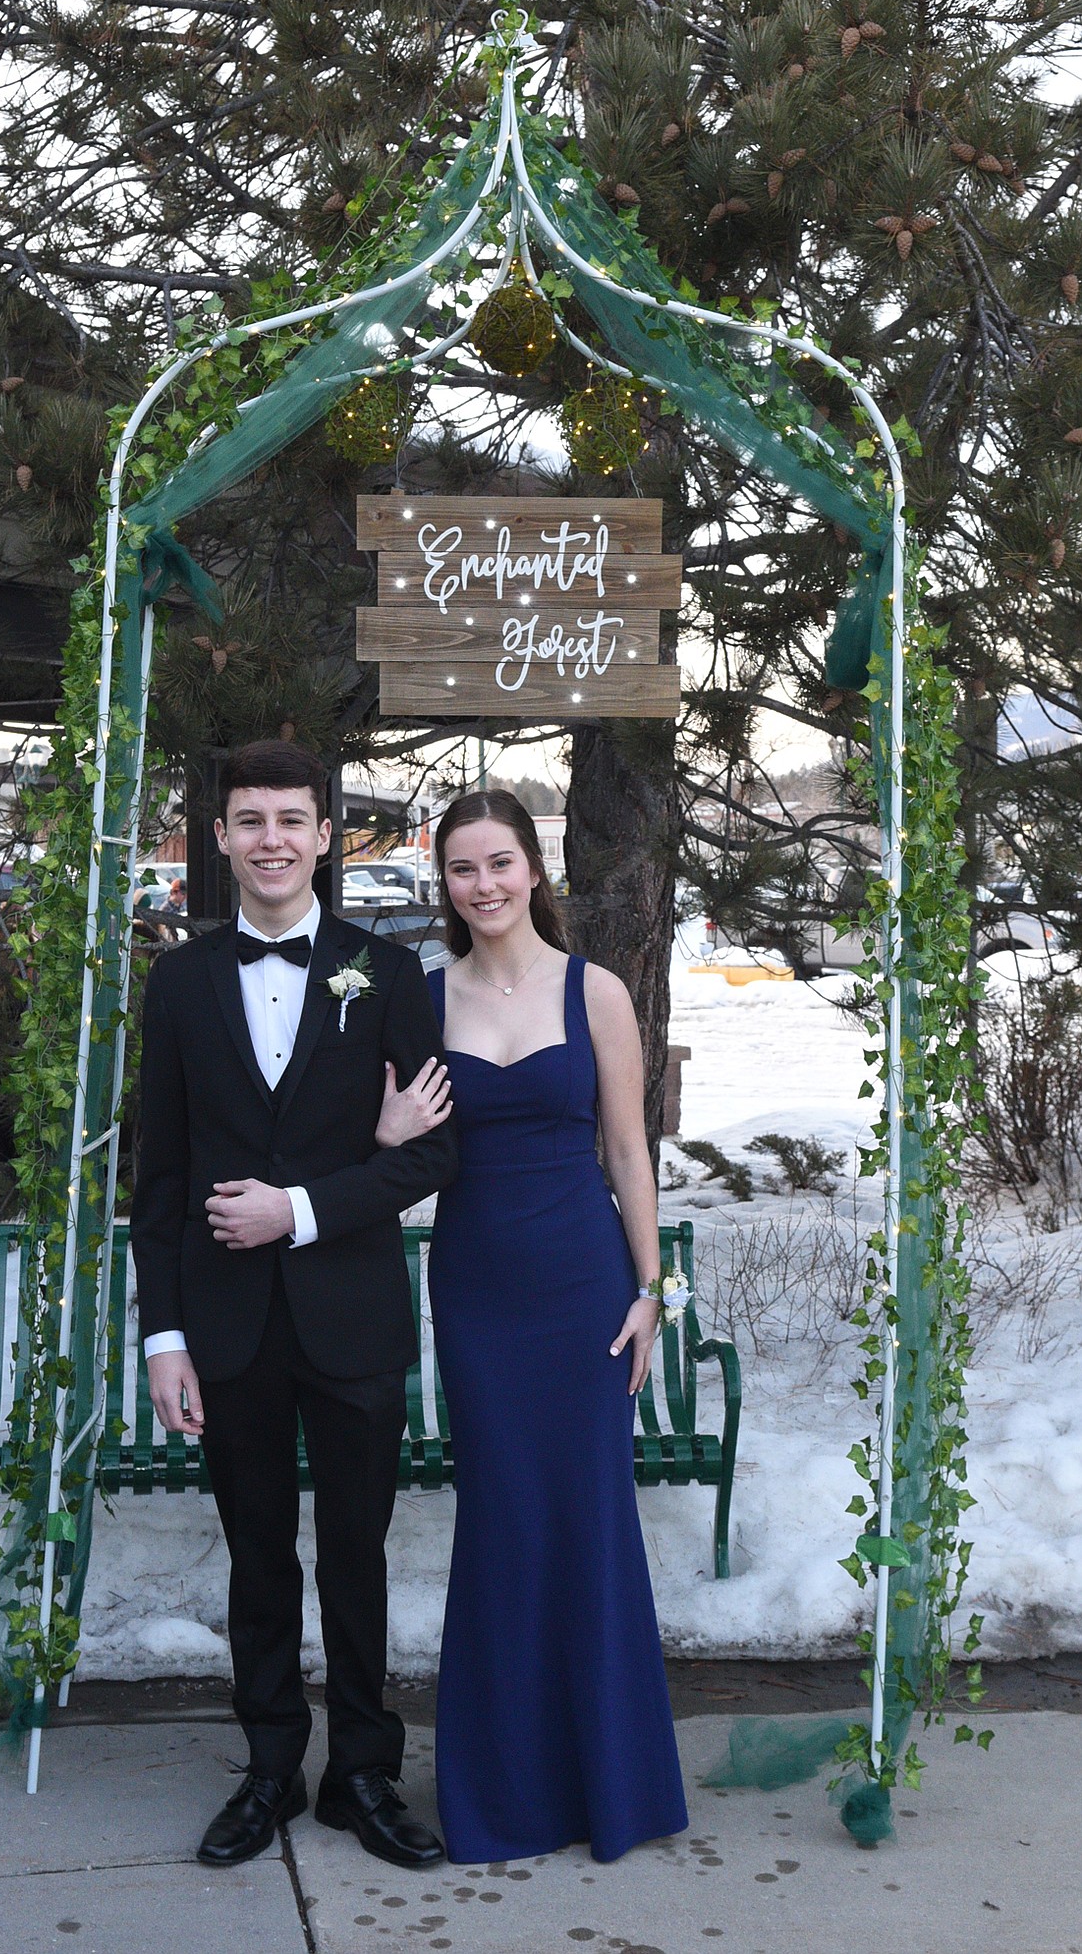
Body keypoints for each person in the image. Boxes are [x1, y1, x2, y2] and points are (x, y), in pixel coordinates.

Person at [130, 739, 457, 1871]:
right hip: (226, 1323)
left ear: (327, 834)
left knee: (357, 1550)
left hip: (350, 1312)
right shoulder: (177, 983)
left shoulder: (389, 972)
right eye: (249, 818)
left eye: (292, 817)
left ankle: (360, 1769)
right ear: (218, 838)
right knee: (259, 1552)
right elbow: (162, 1178)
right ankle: (271, 1763)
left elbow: (434, 1153)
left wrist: (303, 1208)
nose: (272, 837)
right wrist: (163, 1332)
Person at [378, 788, 688, 1864]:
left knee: (590, 1523)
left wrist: (652, 1287)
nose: (485, 884)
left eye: (500, 862)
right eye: (463, 868)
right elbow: (402, 1159)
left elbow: (628, 1153)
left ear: (533, 867)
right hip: (478, 1293)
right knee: (505, 1524)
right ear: (445, 883)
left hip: (583, 1289)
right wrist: (384, 1131)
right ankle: (505, 1792)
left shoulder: (595, 990)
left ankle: (611, 1781)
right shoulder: (422, 999)